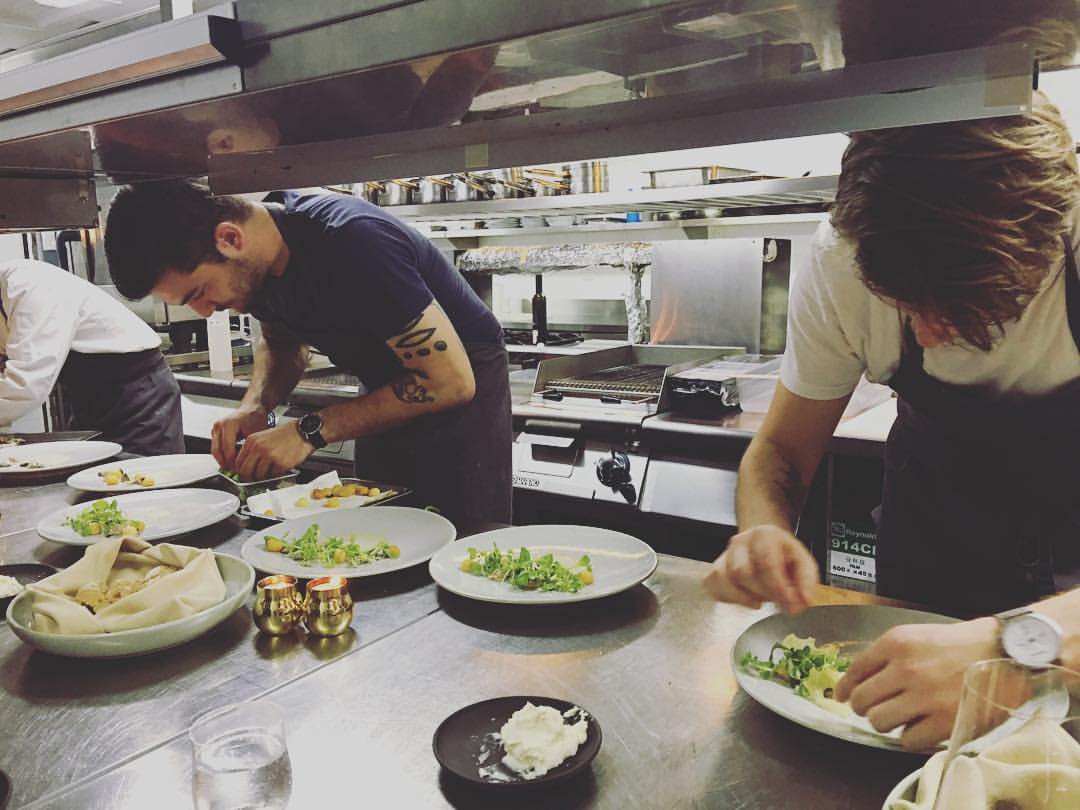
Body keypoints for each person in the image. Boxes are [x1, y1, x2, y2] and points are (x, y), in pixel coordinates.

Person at [703, 91, 1080, 750]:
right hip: (932, 559)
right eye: (905, 303)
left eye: (965, 304)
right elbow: (781, 451)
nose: (927, 335)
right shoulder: (842, 256)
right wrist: (762, 529)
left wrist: (1017, 649)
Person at [103, 181, 511, 531]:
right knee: (381, 535)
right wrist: (256, 406)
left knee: (460, 550)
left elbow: (450, 382)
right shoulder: (259, 267)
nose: (206, 312)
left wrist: (307, 432)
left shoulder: (351, 240)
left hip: (461, 402)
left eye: (199, 292)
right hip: (385, 394)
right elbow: (282, 343)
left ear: (229, 239)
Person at [0, 258, 184, 454]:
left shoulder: (31, 285)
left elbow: (26, 385)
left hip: (139, 399)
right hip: (90, 400)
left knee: (142, 470)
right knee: (91, 469)